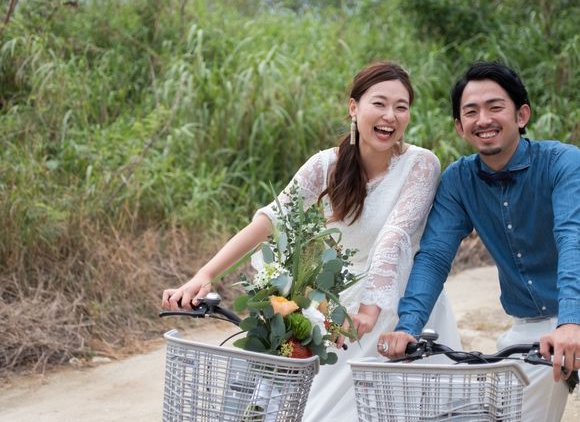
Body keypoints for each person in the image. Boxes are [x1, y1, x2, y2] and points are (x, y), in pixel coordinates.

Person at [162, 60, 460, 422]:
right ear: (354, 108)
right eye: (379, 103)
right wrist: (205, 274)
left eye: (402, 106)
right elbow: (269, 220)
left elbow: (394, 235)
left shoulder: (421, 164)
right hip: (339, 311)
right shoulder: (325, 165)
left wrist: (370, 309)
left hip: (395, 302)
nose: (390, 116)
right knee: (301, 409)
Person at [378, 60, 580, 422]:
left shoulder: (563, 163)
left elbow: (572, 238)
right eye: (471, 112)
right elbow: (435, 256)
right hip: (531, 327)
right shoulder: (459, 181)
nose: (483, 119)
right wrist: (408, 326)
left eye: (495, 107)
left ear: (521, 115)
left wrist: (571, 320)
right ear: (460, 126)